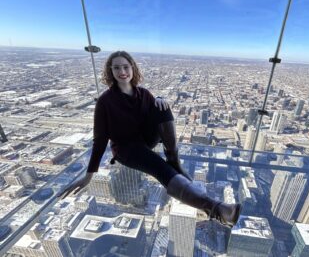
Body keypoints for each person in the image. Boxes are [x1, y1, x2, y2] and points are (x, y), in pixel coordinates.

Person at [59, 51, 241, 227]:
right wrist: (89, 176)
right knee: (161, 169)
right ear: (110, 72)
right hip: (126, 149)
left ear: (133, 68)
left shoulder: (144, 94)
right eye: (116, 68)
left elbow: (156, 116)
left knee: (163, 107)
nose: (122, 72)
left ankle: (173, 160)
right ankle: (219, 211)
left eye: (125, 67)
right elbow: (99, 141)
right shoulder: (105, 101)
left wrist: (160, 100)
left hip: (145, 140)